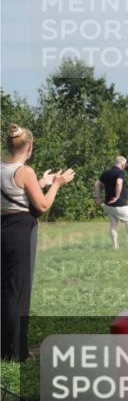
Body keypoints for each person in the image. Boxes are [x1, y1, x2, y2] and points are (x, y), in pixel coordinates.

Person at [1, 124, 75, 361]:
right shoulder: (25, 171)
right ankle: (15, 352)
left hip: (3, 230)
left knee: (5, 290)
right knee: (18, 292)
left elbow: (16, 194)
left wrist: (41, 182)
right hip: (20, 233)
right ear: (29, 147)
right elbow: (42, 205)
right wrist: (57, 184)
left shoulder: (3, 169)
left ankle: (6, 347)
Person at [95, 156, 128, 249]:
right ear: (122, 164)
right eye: (125, 165)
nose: (125, 166)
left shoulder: (106, 172)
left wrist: (98, 197)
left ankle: (115, 246)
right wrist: (117, 196)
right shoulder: (120, 172)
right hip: (120, 204)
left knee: (113, 224)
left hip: (108, 204)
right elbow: (119, 183)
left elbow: (97, 184)